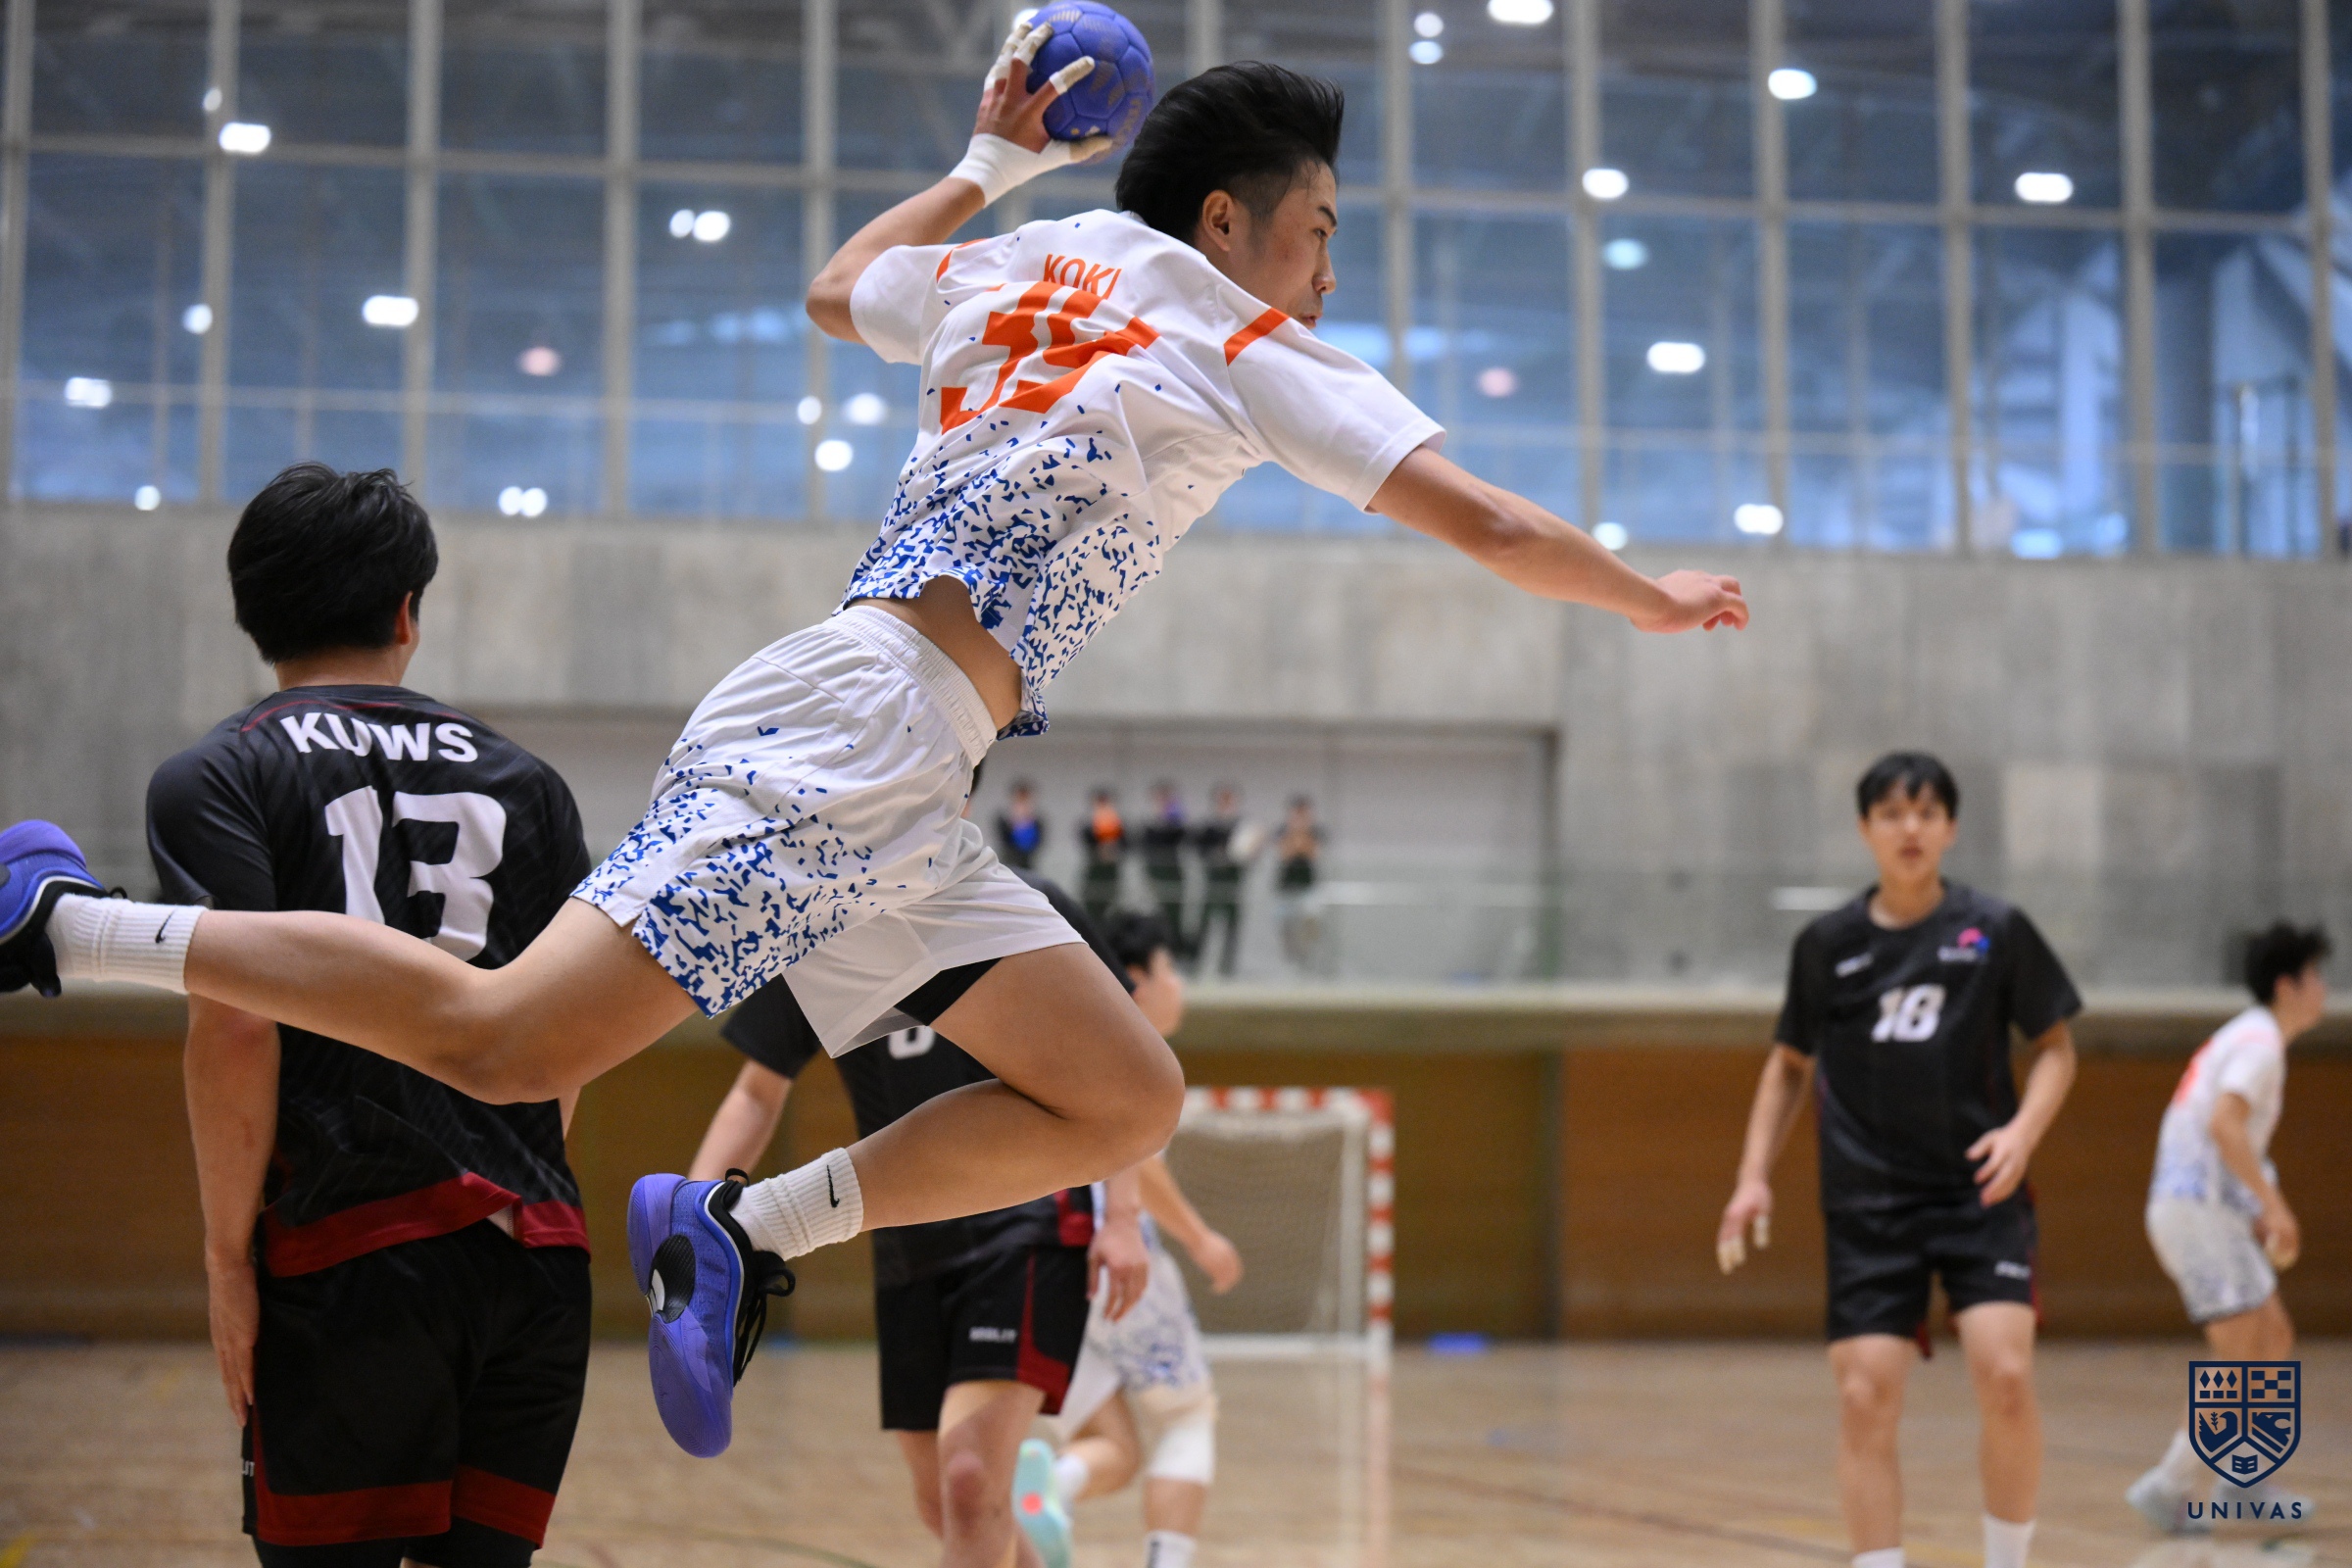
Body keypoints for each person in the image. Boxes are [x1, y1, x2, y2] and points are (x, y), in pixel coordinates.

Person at [0, 30, 1748, 1459]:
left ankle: (744, 1230)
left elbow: (841, 288)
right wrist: (1648, 598)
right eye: (1322, 228)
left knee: (1124, 1094)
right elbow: (1491, 523)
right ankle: (69, 927)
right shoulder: (1237, 330)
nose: (1330, 266)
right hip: (853, 736)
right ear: (1230, 221)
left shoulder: (1017, 267)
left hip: (903, 772)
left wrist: (989, 160)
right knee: (507, 1043)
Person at [156, 465, 595, 1567]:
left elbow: (236, 1027)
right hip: (536, 1251)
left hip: (349, 1254)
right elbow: (569, 1036)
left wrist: (225, 1260)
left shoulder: (219, 776)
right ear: (407, 613)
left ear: (252, 609)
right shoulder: (531, 784)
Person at [687, 857, 1152, 1568]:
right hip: (905, 1242)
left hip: (1025, 1223)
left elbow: (1118, 1067)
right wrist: (690, 1224)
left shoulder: (1026, 900)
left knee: (970, 1481)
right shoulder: (821, 924)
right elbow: (756, 1093)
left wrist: (1121, 1216)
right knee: (945, 1500)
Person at [1716, 753, 2080, 1568]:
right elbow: (1788, 1066)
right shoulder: (1827, 946)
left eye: (1925, 813)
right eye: (1891, 813)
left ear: (1950, 828)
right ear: (1865, 829)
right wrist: (1750, 1178)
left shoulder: (1996, 930)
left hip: (1979, 1193)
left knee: (2006, 1377)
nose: (1909, 828)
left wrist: (2022, 1133)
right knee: (1863, 1396)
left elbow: (2057, 1049)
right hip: (1869, 1205)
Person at [1012, 913, 1245, 1568]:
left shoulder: (1050, 1043)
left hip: (1041, 1263)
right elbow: (1140, 1164)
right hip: (1114, 1259)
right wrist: (1199, 1237)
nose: (1180, 985)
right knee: (1188, 1417)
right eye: (1171, 969)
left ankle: (1050, 1489)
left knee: (1114, 1447)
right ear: (1135, 978)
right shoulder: (1129, 1052)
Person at [2124, 921, 2329, 1535]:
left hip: (2209, 1211)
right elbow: (2224, 1124)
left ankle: (2246, 1475)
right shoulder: (2260, 1044)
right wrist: (2275, 1206)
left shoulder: (2251, 1038)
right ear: (2287, 986)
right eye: (2315, 976)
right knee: (2241, 1352)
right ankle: (2170, 1485)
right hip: (2196, 1211)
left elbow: (2227, 1136)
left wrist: (2260, 1204)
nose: (2324, 988)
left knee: (2272, 1334)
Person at [1189, 785, 1255, 978]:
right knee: (1204, 924)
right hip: (1213, 884)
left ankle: (1227, 968)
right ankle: (1196, 964)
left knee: (1232, 926)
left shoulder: (1242, 828)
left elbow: (1247, 854)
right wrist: (1214, 856)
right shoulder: (1208, 828)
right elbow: (1199, 850)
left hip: (1233, 884)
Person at [1138, 783, 1190, 947]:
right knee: (1154, 912)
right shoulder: (1149, 826)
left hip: (1172, 873)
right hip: (1155, 873)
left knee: (1173, 914)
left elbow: (1179, 837)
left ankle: (1175, 947)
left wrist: (1172, 820)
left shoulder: (1176, 824)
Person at [1275, 796, 1323, 972]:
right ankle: (1289, 958)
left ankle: (1308, 956)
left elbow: (1312, 853)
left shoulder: (1315, 831)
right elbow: (1285, 853)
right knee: (1286, 923)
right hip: (1286, 885)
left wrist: (1300, 841)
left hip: (1308, 884)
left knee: (1311, 920)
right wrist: (1295, 840)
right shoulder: (1282, 830)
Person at [1080, 788, 1129, 922]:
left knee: (1111, 904)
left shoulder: (1118, 825)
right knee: (1092, 904)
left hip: (1111, 871)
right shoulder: (1089, 825)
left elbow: (1125, 844)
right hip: (1095, 870)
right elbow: (1087, 841)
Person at [995, 779, 1046, 870]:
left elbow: (1035, 844)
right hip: (1008, 865)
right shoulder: (1003, 822)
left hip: (1028, 867)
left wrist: (1026, 823)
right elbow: (1005, 842)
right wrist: (1014, 823)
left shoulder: (1037, 823)